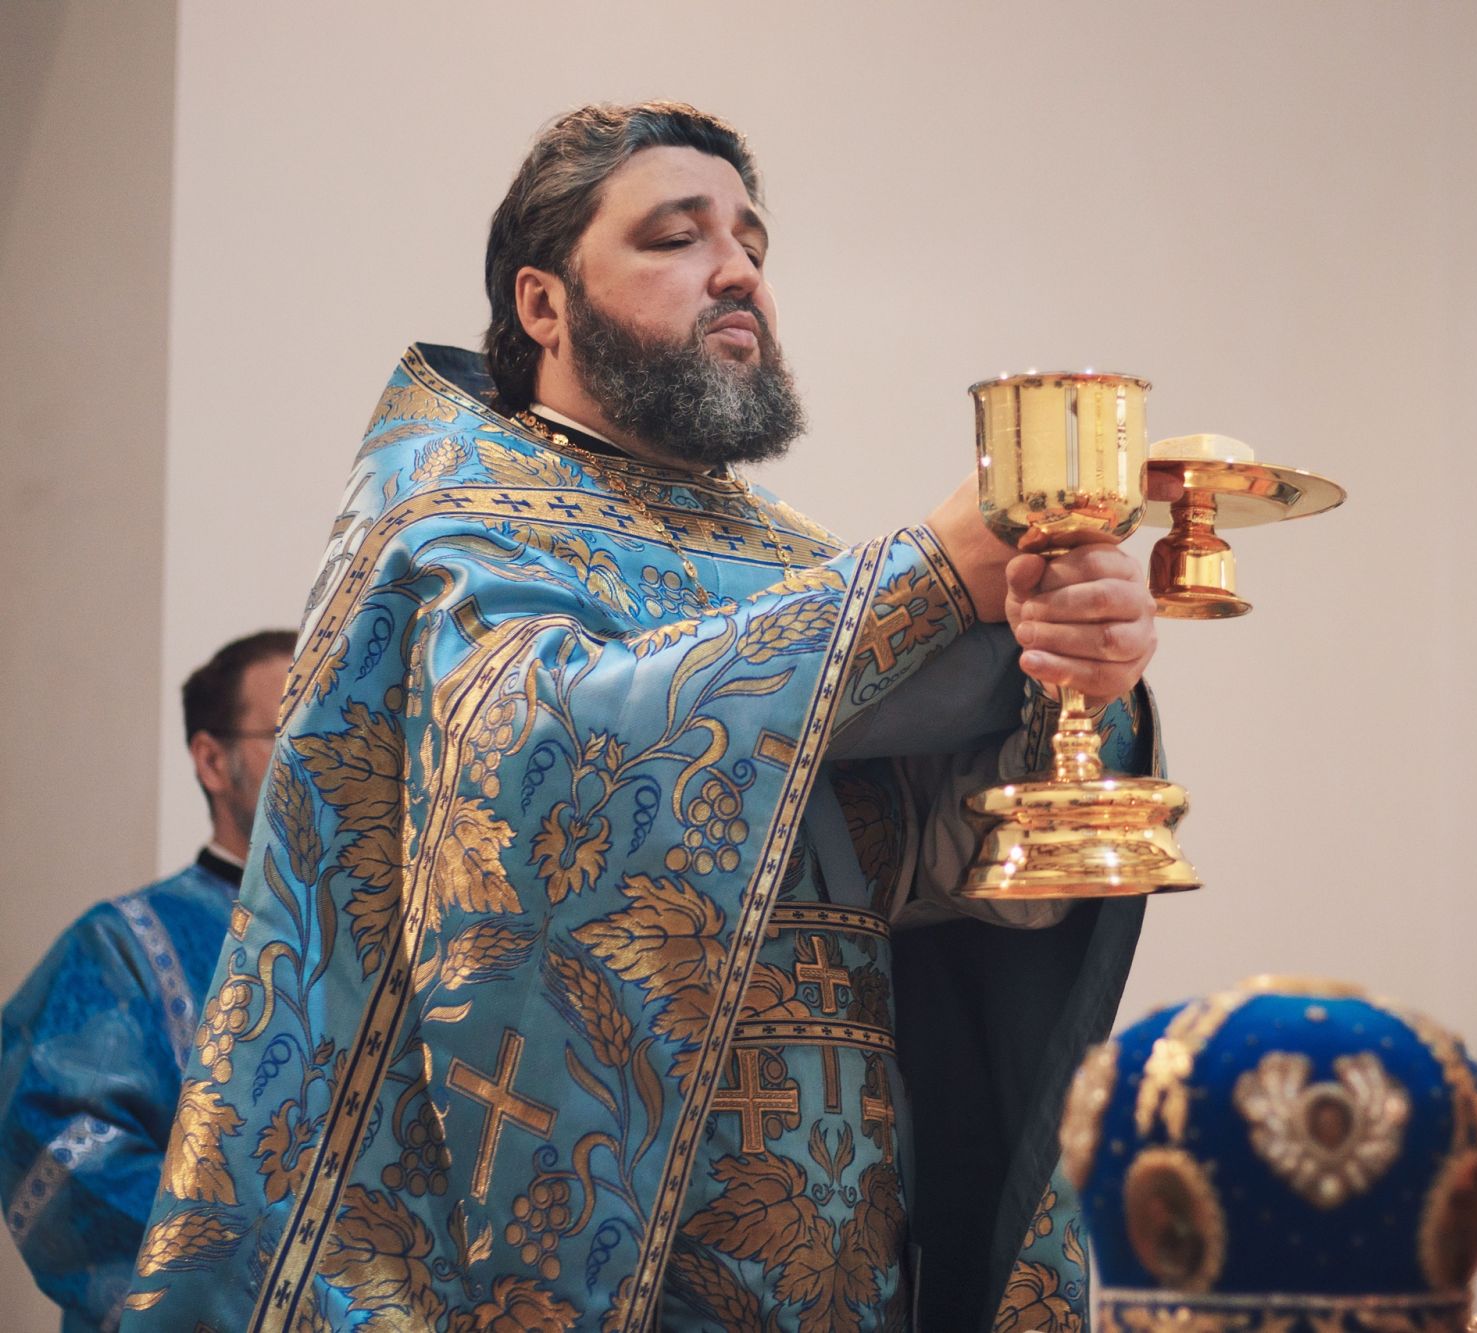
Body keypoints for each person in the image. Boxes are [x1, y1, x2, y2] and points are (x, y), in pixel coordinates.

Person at [126, 102, 1165, 1331]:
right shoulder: (453, 525)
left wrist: (1071, 691)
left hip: (845, 1249)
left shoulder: (796, 561)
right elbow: (539, 772)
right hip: (569, 1255)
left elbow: (923, 863)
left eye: (751, 244)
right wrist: (922, 580)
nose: (736, 272)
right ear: (543, 302)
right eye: (676, 238)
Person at [1, 628, 295, 1330]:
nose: (326, 764)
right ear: (213, 761)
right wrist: (272, 1278)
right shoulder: (120, 946)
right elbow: (56, 1149)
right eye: (292, 735)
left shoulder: (388, 955)